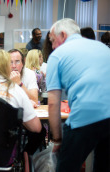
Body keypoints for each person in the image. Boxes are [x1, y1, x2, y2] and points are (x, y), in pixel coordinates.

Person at [47, 18, 110, 172]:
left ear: (62, 34)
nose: (53, 46)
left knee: (66, 168)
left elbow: (53, 103)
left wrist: (58, 139)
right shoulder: (102, 48)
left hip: (84, 116)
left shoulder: (57, 55)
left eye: (53, 40)